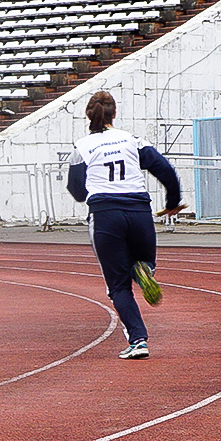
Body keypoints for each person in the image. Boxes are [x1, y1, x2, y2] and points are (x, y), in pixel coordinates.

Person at [66, 90, 181, 359]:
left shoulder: (82, 147)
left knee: (117, 286)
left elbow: (76, 189)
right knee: (142, 263)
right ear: (114, 114)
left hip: (106, 214)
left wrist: (90, 194)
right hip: (139, 211)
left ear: (88, 116)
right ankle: (144, 269)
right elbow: (165, 170)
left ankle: (138, 339)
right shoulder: (133, 141)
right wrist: (173, 201)